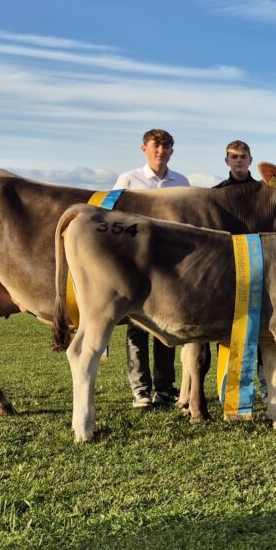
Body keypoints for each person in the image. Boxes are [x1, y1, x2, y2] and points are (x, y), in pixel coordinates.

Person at [113, 128, 189, 407]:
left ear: (172, 151)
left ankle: (165, 388)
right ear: (144, 149)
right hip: (136, 263)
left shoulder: (181, 182)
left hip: (169, 265)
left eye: (166, 147)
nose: (161, 151)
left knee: (166, 327)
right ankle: (141, 390)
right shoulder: (128, 179)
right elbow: (110, 218)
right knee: (137, 326)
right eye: (155, 146)